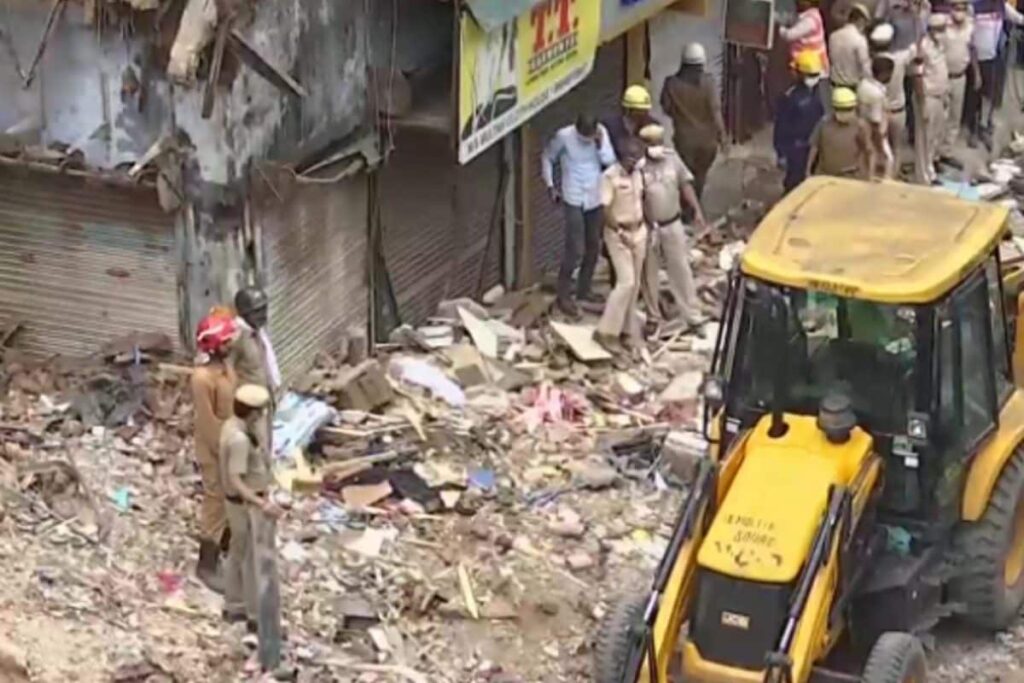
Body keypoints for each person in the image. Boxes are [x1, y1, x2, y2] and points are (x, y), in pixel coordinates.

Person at [220, 384, 282, 634]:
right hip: (246, 504)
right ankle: (255, 615)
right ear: (253, 412)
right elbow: (237, 479)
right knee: (252, 561)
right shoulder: (239, 440)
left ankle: (234, 605)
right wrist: (261, 503)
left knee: (238, 553)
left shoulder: (234, 426)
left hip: (243, 501)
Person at [541, 114, 616, 317]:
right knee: (575, 248)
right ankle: (563, 295)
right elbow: (548, 157)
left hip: (594, 196)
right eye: (584, 137)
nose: (587, 141)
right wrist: (550, 185)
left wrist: (600, 144)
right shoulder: (564, 137)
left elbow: (610, 161)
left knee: (593, 245)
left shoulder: (601, 134)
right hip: (573, 196)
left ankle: (584, 289)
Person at [638, 125, 707, 332]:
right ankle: (653, 318)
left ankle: (693, 316)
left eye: (658, 142)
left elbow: (685, 185)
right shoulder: (639, 167)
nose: (655, 147)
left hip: (672, 223)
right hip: (650, 228)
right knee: (649, 274)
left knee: (681, 270)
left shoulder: (672, 160)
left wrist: (697, 210)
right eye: (651, 143)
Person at [190, 311, 238, 593]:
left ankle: (227, 552)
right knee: (215, 500)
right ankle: (206, 565)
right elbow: (208, 424)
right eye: (226, 340)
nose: (231, 344)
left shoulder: (227, 370)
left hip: (233, 442)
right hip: (214, 449)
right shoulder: (202, 379)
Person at [595, 138, 648, 353]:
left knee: (635, 287)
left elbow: (641, 200)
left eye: (637, 159)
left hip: (639, 231)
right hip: (619, 234)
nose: (634, 163)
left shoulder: (637, 174)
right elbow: (605, 211)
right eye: (630, 159)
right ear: (621, 158)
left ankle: (628, 331)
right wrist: (619, 232)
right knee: (625, 282)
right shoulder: (609, 177)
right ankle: (606, 332)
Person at [660, 42, 728, 200]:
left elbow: (666, 108)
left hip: (684, 141)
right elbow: (716, 112)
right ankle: (695, 205)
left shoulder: (671, 84)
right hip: (708, 142)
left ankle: (686, 209)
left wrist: (681, 114)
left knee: (684, 177)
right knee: (700, 175)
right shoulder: (709, 83)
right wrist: (723, 138)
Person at [966, 0, 1024, 148]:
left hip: (992, 58)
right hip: (975, 59)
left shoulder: (1001, 6)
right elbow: (969, 38)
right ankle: (973, 131)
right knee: (974, 97)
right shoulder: (974, 7)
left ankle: (984, 127)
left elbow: (1018, 18)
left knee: (988, 96)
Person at [774, 50, 827, 191]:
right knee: (794, 184)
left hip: (816, 148)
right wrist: (781, 154)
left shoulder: (820, 93)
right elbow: (781, 127)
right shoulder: (789, 97)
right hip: (797, 148)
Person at [869, 22, 915, 174]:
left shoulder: (870, 64)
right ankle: (894, 176)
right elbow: (915, 48)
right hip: (898, 111)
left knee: (879, 149)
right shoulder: (899, 59)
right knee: (896, 148)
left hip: (878, 113)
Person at [913, 13, 950, 183]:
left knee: (935, 136)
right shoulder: (922, 48)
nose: (943, 32)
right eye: (939, 29)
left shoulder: (940, 44)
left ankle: (931, 170)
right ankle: (923, 177)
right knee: (924, 138)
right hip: (927, 97)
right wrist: (922, 104)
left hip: (940, 95)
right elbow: (918, 77)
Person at [808, 87, 871, 178]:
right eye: (842, 109)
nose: (845, 113)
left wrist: (868, 173)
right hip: (825, 175)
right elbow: (814, 147)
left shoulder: (861, 126)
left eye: (848, 109)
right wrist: (808, 170)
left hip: (850, 176)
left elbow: (868, 151)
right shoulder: (824, 123)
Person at [942, 0, 976, 152]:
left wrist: (977, 74)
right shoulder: (942, 27)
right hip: (942, 78)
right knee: (941, 118)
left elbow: (973, 50)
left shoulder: (970, 26)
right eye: (957, 8)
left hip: (960, 77)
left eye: (963, 8)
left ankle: (946, 152)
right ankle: (935, 154)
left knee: (955, 117)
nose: (959, 11)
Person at [858, 55, 896, 178]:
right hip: (876, 134)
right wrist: (880, 145)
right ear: (884, 74)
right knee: (887, 162)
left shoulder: (863, 84)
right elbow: (875, 122)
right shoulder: (877, 94)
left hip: (862, 128)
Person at [603, 85, 658, 160]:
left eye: (645, 110)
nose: (644, 114)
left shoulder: (653, 126)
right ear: (628, 109)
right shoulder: (612, 127)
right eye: (639, 110)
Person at [779, 0, 831, 78]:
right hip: (806, 63)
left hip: (811, 65)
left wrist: (780, 29)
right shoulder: (810, 15)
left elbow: (790, 35)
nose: (797, 2)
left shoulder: (810, 20)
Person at [829, 3, 873, 89]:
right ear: (860, 20)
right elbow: (865, 67)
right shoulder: (860, 40)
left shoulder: (833, 36)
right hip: (852, 87)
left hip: (835, 86)